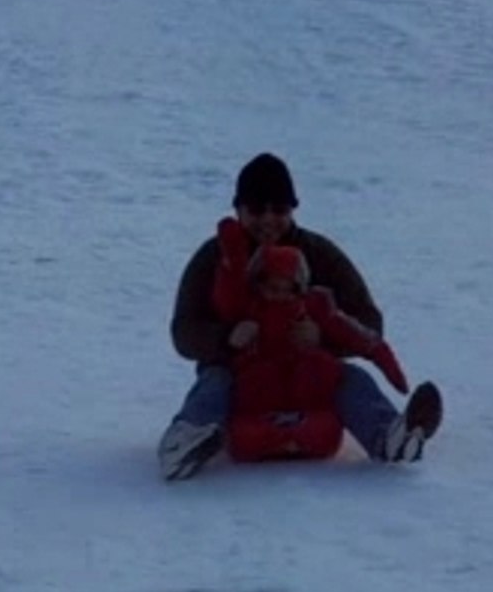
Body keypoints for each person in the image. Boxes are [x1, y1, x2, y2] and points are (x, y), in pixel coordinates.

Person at [157, 152, 442, 481]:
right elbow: (184, 330)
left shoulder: (321, 255)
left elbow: (369, 321)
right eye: (256, 209)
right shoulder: (214, 257)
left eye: (279, 210)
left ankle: (390, 438)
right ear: (238, 210)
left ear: (293, 210)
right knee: (215, 381)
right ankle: (184, 442)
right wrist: (225, 338)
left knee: (349, 378)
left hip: (306, 378)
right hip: (244, 378)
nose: (268, 220)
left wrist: (324, 336)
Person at [217, 239, 410, 463]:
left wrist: (394, 373)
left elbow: (363, 339)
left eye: (288, 290)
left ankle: (387, 435)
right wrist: (231, 254)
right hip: (260, 404)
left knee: (347, 377)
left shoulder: (315, 309)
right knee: (228, 395)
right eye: (272, 289)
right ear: (258, 286)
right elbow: (227, 288)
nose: (280, 296)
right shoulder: (247, 309)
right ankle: (192, 437)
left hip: (307, 404)